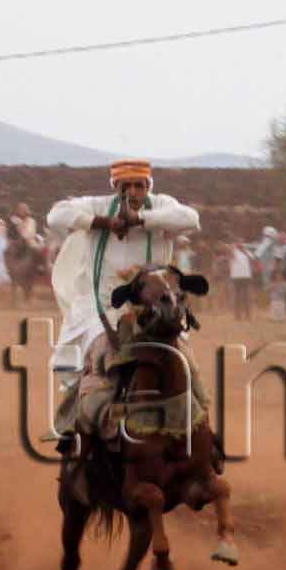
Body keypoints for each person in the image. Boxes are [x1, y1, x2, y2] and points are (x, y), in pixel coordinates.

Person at [45, 161, 203, 438]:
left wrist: (141, 220)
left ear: (148, 186)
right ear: (115, 188)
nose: (132, 191)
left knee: (186, 362)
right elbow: (56, 216)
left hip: (154, 309)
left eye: (138, 185)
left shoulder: (161, 204)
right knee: (98, 360)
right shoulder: (97, 205)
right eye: (125, 186)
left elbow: (190, 219)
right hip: (102, 307)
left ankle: (201, 432)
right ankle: (76, 429)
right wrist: (104, 223)